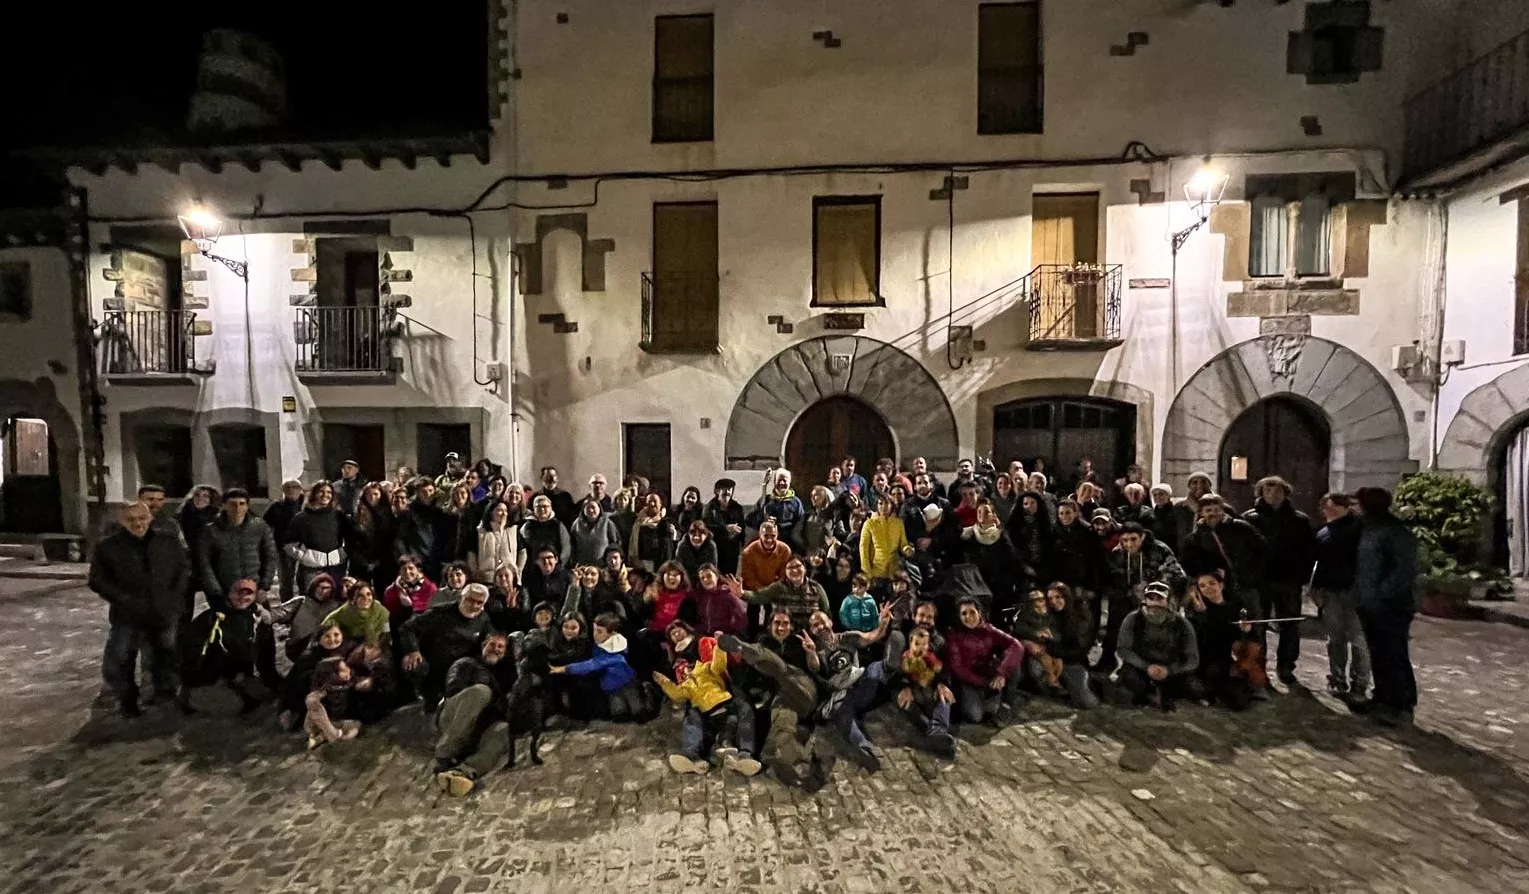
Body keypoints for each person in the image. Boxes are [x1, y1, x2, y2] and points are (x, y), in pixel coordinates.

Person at [91, 502, 190, 717]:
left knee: (166, 653)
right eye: (131, 519)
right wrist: (123, 599)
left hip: (163, 611)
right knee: (121, 657)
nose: (137, 523)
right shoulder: (108, 547)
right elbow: (97, 580)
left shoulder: (168, 541)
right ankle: (127, 700)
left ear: (150, 517)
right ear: (122, 521)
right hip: (128, 614)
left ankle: (165, 695)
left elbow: (183, 569)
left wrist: (173, 598)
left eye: (141, 518)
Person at [654, 622, 762, 777]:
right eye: (672, 634)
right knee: (692, 718)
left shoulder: (704, 663)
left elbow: (718, 666)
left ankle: (746, 753)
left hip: (723, 699)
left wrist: (719, 646)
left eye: (678, 630)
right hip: (704, 708)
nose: (676, 634)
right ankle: (691, 755)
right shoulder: (684, 676)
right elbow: (679, 694)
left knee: (745, 710)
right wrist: (665, 683)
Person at [1352, 487, 1419, 726]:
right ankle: (1382, 697)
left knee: (1394, 654)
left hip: (1391, 606)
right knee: (1378, 654)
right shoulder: (1368, 528)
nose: (1354, 507)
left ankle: (1401, 704)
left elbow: (1403, 571)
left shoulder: (1395, 531)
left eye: (1357, 503)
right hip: (1369, 603)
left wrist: (1380, 595)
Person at [1241, 476, 1317, 684]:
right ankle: (1259, 666)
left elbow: (1308, 552)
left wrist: (1302, 577)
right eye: (1267, 490)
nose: (1273, 494)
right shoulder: (1250, 518)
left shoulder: (1299, 520)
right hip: (1260, 581)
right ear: (1261, 493)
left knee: (1289, 624)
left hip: (1288, 580)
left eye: (1277, 491)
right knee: (1259, 625)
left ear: (1285, 493)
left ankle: (1286, 665)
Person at [177, 578, 279, 715]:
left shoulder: (245, 615)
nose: (243, 598)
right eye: (239, 593)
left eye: (248, 594)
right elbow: (204, 657)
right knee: (240, 705)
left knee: (259, 697)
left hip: (228, 676)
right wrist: (238, 677)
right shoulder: (215, 620)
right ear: (229, 593)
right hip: (206, 681)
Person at [432, 632, 516, 797]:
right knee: (481, 691)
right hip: (453, 714)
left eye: (501, 647)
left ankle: (464, 772)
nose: (496, 649)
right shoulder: (466, 663)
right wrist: (483, 698)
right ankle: (446, 753)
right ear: (484, 645)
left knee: (504, 728)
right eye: (492, 644)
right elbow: (453, 689)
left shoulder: (503, 678)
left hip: (479, 727)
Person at [1098, 522, 1188, 673]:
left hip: (1156, 598)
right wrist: (1125, 591)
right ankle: (1109, 659)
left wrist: (1152, 588)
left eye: (1133, 539)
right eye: (1125, 540)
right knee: (1116, 621)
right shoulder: (1117, 553)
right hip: (1127, 597)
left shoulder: (1159, 550)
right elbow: (1109, 579)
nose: (1129, 544)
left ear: (1142, 537)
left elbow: (1177, 575)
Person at [400, 584, 494, 711]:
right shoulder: (439, 613)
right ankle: (429, 696)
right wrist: (412, 650)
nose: (474, 605)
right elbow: (407, 627)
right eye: (470, 600)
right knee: (414, 665)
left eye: (479, 602)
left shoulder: (483, 619)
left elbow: (490, 638)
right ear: (462, 597)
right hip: (434, 664)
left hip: (461, 667)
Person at [1310, 492, 1368, 699]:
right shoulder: (1323, 532)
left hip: (1357, 592)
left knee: (1359, 641)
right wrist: (1315, 587)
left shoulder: (1360, 529)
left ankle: (1359, 684)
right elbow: (1319, 564)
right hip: (1331, 592)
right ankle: (1337, 678)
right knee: (1336, 639)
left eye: (1333, 506)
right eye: (1326, 506)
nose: (1328, 510)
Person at [1115, 582, 1200, 711]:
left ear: (1169, 602)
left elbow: (1192, 658)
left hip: (1171, 669)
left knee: (1195, 688)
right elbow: (1123, 649)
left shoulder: (1182, 624)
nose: (1154, 603)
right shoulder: (1133, 619)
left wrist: (1169, 670)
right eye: (1151, 598)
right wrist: (1146, 667)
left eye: (1159, 598)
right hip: (1141, 668)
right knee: (1130, 680)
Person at [943, 596, 1025, 725]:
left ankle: (1006, 703)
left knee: (1013, 663)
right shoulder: (954, 637)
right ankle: (993, 699)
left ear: (979, 613)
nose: (969, 617)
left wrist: (1002, 673)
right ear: (959, 616)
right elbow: (958, 668)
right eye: (964, 613)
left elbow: (1016, 646)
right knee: (975, 716)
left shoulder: (989, 630)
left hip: (989, 673)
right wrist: (984, 683)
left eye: (972, 612)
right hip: (970, 681)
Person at [1182, 570, 1256, 711]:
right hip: (1202, 662)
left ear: (1221, 585)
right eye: (1202, 586)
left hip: (1225, 661)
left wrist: (1245, 631)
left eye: (1212, 583)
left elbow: (1241, 640)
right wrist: (1202, 614)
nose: (1208, 588)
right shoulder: (1196, 610)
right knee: (1200, 686)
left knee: (1239, 701)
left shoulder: (1236, 607)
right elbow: (1202, 640)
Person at [552, 612, 646, 721]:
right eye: (594, 630)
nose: (595, 634)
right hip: (609, 686)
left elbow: (594, 664)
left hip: (626, 682)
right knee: (618, 711)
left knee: (636, 707)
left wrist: (566, 668)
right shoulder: (597, 646)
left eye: (600, 631)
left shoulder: (616, 651)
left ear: (611, 633)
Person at [198, 487, 277, 611]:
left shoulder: (260, 527)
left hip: (253, 589)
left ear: (247, 506)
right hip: (225, 591)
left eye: (241, 504)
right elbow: (204, 563)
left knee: (262, 621)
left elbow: (270, 557)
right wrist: (216, 592)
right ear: (224, 505)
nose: (237, 508)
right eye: (232, 504)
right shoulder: (211, 530)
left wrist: (264, 586)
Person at [891, 626, 958, 758]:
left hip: (930, 687)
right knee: (907, 703)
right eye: (916, 644)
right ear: (910, 644)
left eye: (924, 645)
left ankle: (936, 732)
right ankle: (934, 733)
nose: (920, 648)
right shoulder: (906, 657)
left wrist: (939, 682)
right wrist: (906, 685)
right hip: (914, 688)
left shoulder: (931, 655)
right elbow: (900, 674)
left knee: (943, 698)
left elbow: (940, 669)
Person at [283, 481, 353, 593]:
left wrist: (342, 553)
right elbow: (288, 543)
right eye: (321, 491)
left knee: (335, 598)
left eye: (329, 492)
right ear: (314, 494)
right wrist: (304, 557)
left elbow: (351, 537)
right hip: (311, 569)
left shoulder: (339, 516)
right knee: (312, 598)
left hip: (336, 567)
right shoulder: (301, 518)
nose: (325, 495)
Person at [734, 555, 829, 629]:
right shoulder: (778, 587)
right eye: (790, 568)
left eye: (798, 566)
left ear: (804, 568)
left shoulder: (816, 588)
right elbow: (758, 596)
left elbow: (826, 613)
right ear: (785, 572)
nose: (794, 570)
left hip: (810, 636)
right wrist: (742, 593)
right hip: (784, 633)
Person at [1043, 584, 1099, 708]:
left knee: (1087, 702)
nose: (1053, 602)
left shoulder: (1081, 616)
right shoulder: (1050, 615)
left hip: (1073, 661)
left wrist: (1056, 650)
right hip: (1053, 659)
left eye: (1058, 597)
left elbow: (1080, 648)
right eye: (1050, 598)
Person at [269, 573, 348, 661]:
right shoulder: (301, 602)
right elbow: (278, 613)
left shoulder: (336, 605)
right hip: (299, 647)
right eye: (320, 587)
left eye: (327, 588)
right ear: (313, 587)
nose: (323, 591)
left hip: (328, 646)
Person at [263, 480, 307, 601]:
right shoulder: (276, 507)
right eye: (288, 487)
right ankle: (287, 605)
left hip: (304, 548)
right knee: (285, 581)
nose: (292, 490)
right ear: (283, 490)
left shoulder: (306, 506)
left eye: (295, 487)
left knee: (304, 580)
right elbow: (265, 525)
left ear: (300, 489)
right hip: (282, 548)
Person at [859, 494, 913, 584]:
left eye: (887, 503)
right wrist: (866, 571)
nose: (883, 507)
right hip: (876, 571)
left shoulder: (898, 523)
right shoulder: (869, 524)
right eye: (880, 503)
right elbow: (863, 548)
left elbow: (903, 544)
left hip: (894, 571)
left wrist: (907, 549)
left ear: (892, 505)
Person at [469, 500, 521, 584]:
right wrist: (475, 573)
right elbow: (472, 554)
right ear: (490, 513)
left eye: (506, 511)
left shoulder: (513, 531)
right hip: (486, 579)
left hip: (509, 579)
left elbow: (522, 552)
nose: (504, 514)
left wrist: (518, 570)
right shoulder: (479, 532)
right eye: (500, 510)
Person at [322, 580, 390, 644]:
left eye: (368, 594)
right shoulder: (346, 610)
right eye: (360, 595)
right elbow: (328, 621)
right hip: (349, 643)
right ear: (352, 599)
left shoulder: (381, 611)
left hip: (378, 643)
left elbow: (387, 633)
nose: (366, 598)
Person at [703, 479, 747, 575]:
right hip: (715, 547)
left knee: (730, 576)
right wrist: (725, 528)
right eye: (724, 489)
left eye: (730, 489)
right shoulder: (710, 508)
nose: (727, 491)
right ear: (717, 491)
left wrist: (740, 538)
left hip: (732, 549)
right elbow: (706, 527)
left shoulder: (737, 507)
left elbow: (742, 527)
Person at [741, 519, 793, 592]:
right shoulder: (748, 552)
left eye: (773, 536)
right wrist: (764, 592)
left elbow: (784, 575)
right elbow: (749, 578)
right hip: (755, 591)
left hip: (777, 589)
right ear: (760, 535)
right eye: (765, 535)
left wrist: (774, 589)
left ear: (777, 535)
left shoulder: (785, 550)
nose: (769, 540)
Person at [521, 495, 572, 569]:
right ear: (534, 509)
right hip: (532, 569)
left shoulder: (558, 525)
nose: (542, 509)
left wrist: (560, 564)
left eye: (545, 506)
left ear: (550, 508)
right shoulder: (527, 526)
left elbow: (566, 546)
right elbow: (521, 548)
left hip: (554, 568)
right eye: (538, 507)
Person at [570, 498, 621, 569]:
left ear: (599, 508)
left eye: (593, 507)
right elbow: (572, 545)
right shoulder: (576, 524)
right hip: (582, 566)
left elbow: (615, 544)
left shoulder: (607, 523)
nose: (591, 510)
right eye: (587, 508)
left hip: (603, 566)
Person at [1150, 483, 1195, 556]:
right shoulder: (1151, 513)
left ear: (1169, 496)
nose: (1157, 497)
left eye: (1161, 494)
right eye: (1155, 495)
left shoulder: (1177, 511)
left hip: (1174, 550)